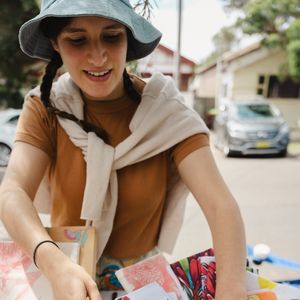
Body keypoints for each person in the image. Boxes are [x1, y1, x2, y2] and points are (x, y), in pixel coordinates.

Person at [0, 0, 247, 299]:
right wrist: (54, 264)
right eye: (77, 40)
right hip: (64, 278)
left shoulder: (166, 115)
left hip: (146, 289)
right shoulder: (45, 107)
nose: (98, 55)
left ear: (128, 38)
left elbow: (221, 207)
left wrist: (231, 291)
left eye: (111, 36)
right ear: (55, 44)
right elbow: (12, 192)